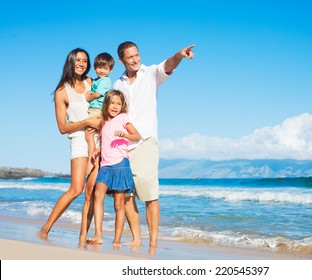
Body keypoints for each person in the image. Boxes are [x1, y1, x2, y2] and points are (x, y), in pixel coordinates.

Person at [113, 41, 195, 248]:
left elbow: (167, 66)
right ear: (122, 60)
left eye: (137, 55)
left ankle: (153, 243)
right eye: (130, 57)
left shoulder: (150, 73)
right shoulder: (117, 84)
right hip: (122, 146)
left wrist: (179, 55)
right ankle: (136, 238)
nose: (135, 60)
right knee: (126, 196)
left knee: (150, 195)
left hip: (145, 141)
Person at [36, 48, 101, 242]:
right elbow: (62, 127)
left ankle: (84, 236)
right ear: (70, 62)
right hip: (79, 140)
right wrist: (86, 123)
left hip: (98, 140)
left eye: (85, 61)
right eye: (78, 60)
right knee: (76, 189)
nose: (81, 64)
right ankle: (45, 229)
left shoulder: (92, 83)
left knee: (92, 191)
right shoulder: (62, 91)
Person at [87, 89, 141, 246]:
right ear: (106, 104)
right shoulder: (103, 122)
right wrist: (98, 148)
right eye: (112, 103)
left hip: (120, 165)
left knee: (119, 204)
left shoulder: (123, 118)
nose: (115, 106)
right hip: (105, 166)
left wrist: (125, 135)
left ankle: (117, 239)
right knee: (98, 194)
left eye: (119, 103)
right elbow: (105, 139)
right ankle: (98, 235)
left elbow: (136, 136)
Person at [85, 52, 115, 175]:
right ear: (95, 67)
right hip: (97, 110)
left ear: (110, 70)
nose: (102, 70)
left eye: (105, 68)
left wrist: (88, 96)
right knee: (96, 136)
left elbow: (97, 94)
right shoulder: (98, 80)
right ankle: (95, 158)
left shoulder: (105, 81)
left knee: (89, 135)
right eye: (99, 67)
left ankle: (90, 163)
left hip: (97, 110)